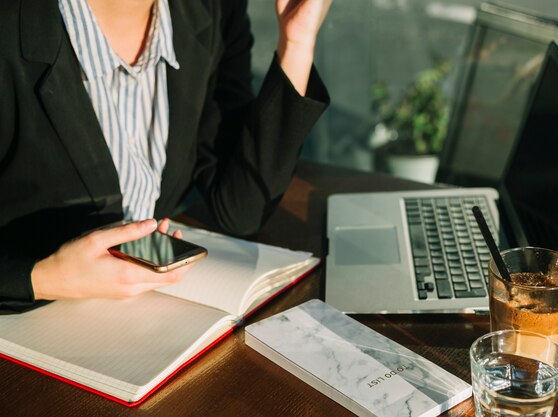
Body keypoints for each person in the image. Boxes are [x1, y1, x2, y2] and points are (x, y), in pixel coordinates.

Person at [0, 0, 331, 312]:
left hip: (146, 317)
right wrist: (47, 279)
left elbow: (241, 208)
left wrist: (296, 40)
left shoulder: (210, 9)